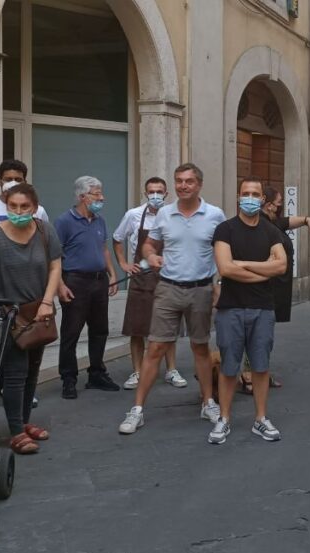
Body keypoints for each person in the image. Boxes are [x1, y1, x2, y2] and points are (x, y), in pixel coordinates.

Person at [118, 164, 226, 435]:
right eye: (179, 181)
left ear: (199, 184)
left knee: (200, 347)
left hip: (201, 289)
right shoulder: (164, 214)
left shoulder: (215, 215)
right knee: (155, 348)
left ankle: (207, 402)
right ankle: (138, 410)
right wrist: (150, 255)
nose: (183, 186)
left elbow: (223, 251)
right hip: (167, 288)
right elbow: (149, 244)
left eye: (189, 181)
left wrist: (220, 284)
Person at [0, 184, 61, 454]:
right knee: (15, 374)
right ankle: (17, 431)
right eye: (13, 207)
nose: (18, 212)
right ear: (6, 206)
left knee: (32, 371)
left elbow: (56, 265)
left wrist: (46, 302)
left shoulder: (44, 230)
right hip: (8, 316)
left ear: (34, 207)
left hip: (39, 313)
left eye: (24, 207)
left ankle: (25, 421)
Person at [208, 176, 288, 444]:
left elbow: (281, 266)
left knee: (261, 368)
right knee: (229, 368)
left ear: (262, 200)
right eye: (246, 193)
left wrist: (242, 265)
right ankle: (224, 419)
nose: (250, 198)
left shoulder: (270, 231)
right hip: (231, 309)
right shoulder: (225, 230)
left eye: (255, 194)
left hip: (263, 309)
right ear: (238, 197)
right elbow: (225, 268)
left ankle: (261, 419)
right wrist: (262, 271)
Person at [237, 185, 310, 393]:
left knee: (264, 334)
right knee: (258, 333)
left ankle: (259, 372)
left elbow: (290, 221)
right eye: (279, 203)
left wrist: (308, 219)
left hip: (275, 286)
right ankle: (249, 375)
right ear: (270, 205)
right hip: (265, 287)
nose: (281, 206)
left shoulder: (273, 222)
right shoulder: (263, 225)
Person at [112, 177, 187, 391]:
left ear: (166, 194)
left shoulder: (174, 214)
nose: (155, 195)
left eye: (159, 191)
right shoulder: (134, 215)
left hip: (168, 276)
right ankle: (137, 372)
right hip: (141, 277)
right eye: (151, 191)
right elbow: (117, 238)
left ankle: (171, 370)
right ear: (145, 193)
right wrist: (124, 264)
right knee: (137, 328)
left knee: (169, 327)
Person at [54, 176, 119, 399]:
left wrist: (111, 274)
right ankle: (68, 379)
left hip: (99, 281)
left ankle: (97, 373)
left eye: (101, 193)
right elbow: (54, 256)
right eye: (97, 194)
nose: (102, 198)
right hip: (75, 281)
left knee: (100, 330)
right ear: (83, 197)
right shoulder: (64, 221)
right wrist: (60, 284)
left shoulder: (99, 220)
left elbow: (104, 248)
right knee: (71, 332)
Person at [0, 159, 49, 241]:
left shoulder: (38, 211)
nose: (13, 183)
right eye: (8, 179)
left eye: (18, 180)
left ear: (24, 182)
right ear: (0, 182)